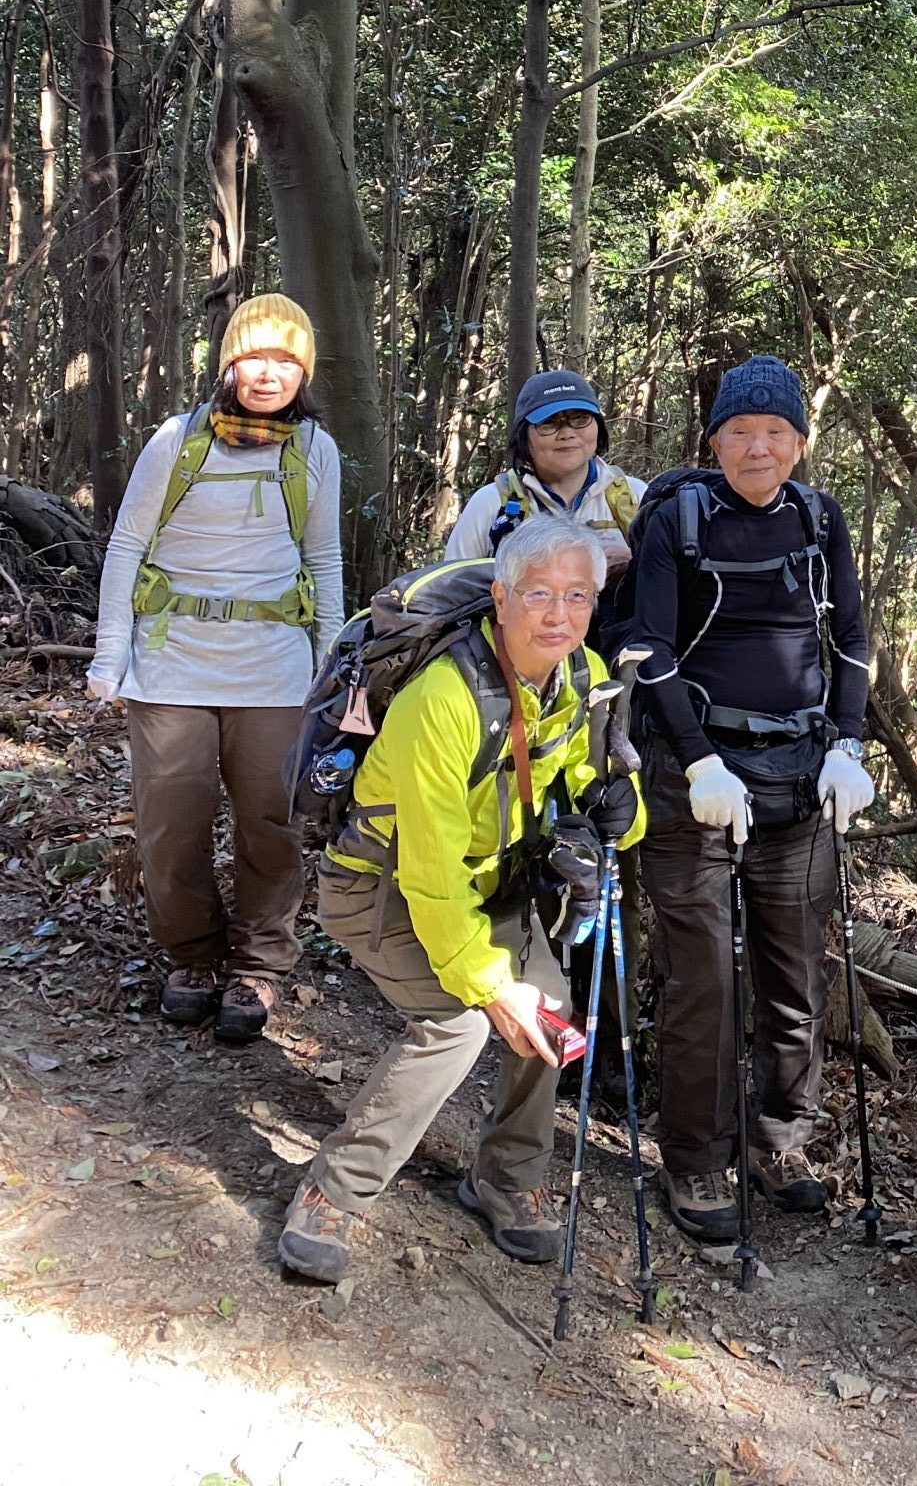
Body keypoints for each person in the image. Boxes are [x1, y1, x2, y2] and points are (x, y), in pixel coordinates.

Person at [277, 513, 645, 1284]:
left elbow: (592, 782)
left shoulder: (579, 675)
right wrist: (489, 986)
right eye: (539, 593)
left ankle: (507, 1179)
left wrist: (620, 808)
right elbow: (431, 871)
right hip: (378, 884)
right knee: (458, 1022)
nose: (559, 613)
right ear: (501, 599)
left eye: (577, 596)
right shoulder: (443, 697)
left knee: (550, 1010)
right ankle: (334, 1192)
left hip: (487, 883)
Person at [607, 354, 873, 1242]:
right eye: (740, 432)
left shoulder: (819, 519)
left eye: (775, 432)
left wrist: (847, 743)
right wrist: (698, 760)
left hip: (801, 780)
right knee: (703, 982)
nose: (758, 448)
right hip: (694, 785)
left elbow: (853, 638)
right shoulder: (678, 518)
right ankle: (695, 1160)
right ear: (714, 440)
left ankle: (780, 1142)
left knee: (796, 976)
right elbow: (647, 646)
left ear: (800, 441)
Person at [88, 294, 344, 1043]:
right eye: (254, 357)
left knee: (271, 823)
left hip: (275, 670)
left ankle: (260, 962)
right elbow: (127, 547)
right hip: (171, 664)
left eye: (286, 361)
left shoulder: (314, 450)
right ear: (228, 364)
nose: (269, 374)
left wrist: (331, 668)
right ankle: (191, 956)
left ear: (304, 373)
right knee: (172, 823)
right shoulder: (177, 441)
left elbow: (324, 559)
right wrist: (110, 656)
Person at [444, 369, 645, 586]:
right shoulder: (490, 504)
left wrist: (634, 562)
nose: (567, 433)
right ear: (524, 436)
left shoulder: (635, 496)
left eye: (580, 419)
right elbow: (450, 591)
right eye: (549, 423)